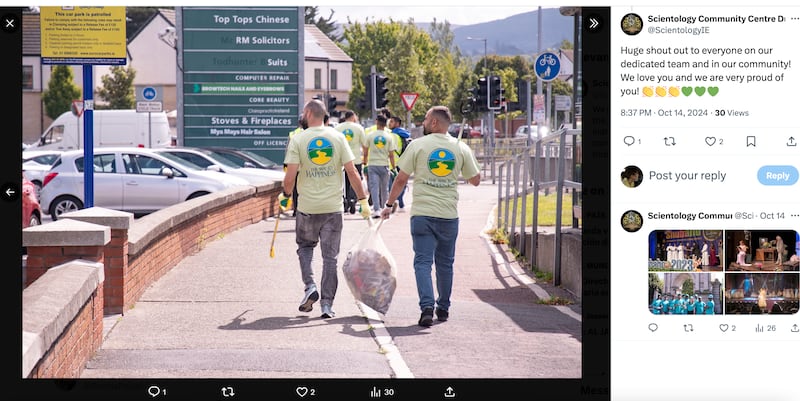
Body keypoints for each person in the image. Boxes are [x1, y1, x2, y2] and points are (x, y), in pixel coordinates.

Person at [380, 105, 481, 327]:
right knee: (446, 264)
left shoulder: (417, 145)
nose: (423, 123)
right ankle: (443, 308)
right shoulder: (460, 147)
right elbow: (475, 180)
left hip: (422, 215)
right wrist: (460, 165)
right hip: (448, 215)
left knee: (422, 262)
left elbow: (400, 179)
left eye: (426, 119)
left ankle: (426, 306)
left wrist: (389, 204)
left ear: (434, 122)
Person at [281, 99, 371, 319]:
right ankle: (327, 306)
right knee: (330, 258)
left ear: (310, 113)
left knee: (305, 248)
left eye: (303, 111)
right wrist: (363, 202)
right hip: (333, 208)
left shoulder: (298, 139)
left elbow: (290, 176)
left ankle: (310, 286)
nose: (302, 114)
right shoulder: (338, 138)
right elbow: (352, 173)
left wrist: (285, 196)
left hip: (307, 207)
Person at [363, 115, 396, 218]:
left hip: (373, 164)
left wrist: (364, 163)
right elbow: (391, 155)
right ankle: (384, 208)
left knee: (374, 188)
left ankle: (377, 209)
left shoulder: (370, 135)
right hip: (385, 165)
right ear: (385, 124)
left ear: (376, 122)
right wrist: (393, 167)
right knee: (384, 188)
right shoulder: (389, 136)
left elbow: (365, 152)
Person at [335, 110, 367, 214]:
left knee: (344, 182)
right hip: (355, 158)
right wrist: (365, 158)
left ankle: (345, 200)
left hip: (341, 160)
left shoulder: (338, 128)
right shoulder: (359, 128)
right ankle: (352, 199)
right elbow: (364, 144)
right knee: (355, 179)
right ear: (353, 117)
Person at [388, 116, 410, 211]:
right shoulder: (405, 135)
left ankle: (393, 202)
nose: (389, 123)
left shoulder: (392, 136)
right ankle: (401, 203)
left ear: (397, 123)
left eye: (392, 122)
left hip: (393, 163)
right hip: (403, 162)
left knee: (392, 184)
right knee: (403, 183)